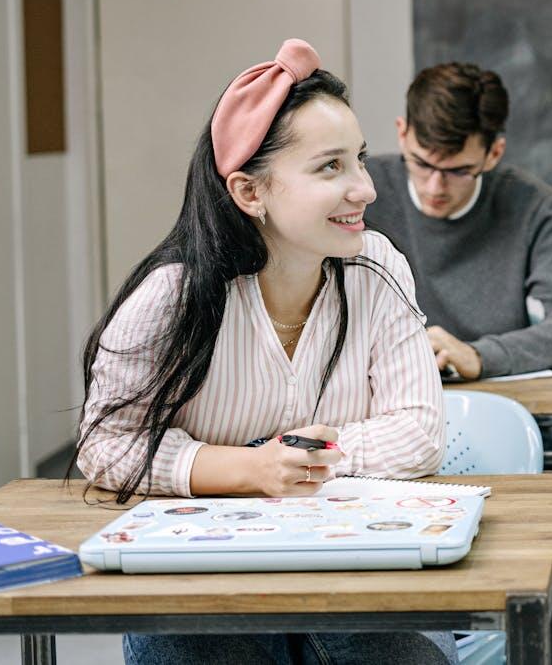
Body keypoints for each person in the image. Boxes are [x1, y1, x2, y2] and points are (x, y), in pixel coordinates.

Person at [75, 40, 454, 665]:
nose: (366, 188)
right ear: (250, 192)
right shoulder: (173, 295)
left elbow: (418, 431)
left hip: (353, 559)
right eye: (330, 167)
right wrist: (250, 470)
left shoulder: (378, 266)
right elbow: (106, 443)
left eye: (358, 160)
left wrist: (290, 460)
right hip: (204, 576)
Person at [363, 62, 552, 380]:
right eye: (422, 163)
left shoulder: (533, 208)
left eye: (459, 171)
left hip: (495, 403)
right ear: (402, 133)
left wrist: (479, 355)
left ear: (494, 153)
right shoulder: (361, 194)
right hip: (383, 400)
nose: (435, 187)